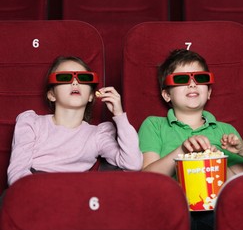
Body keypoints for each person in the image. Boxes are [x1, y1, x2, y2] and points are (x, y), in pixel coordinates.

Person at [138, 49, 243, 230]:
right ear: (167, 95)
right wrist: (181, 150)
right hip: (171, 207)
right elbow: (147, 178)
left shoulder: (226, 131)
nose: (192, 84)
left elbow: (242, 189)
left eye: (200, 79)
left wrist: (217, 160)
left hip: (217, 210)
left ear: (209, 92)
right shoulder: (154, 125)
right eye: (181, 80)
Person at [7, 56, 143, 186]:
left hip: (76, 192)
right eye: (64, 77)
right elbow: (17, 173)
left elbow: (132, 164)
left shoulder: (97, 135)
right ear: (51, 95)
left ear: (91, 96)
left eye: (84, 78)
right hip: (34, 187)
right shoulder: (32, 124)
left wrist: (119, 115)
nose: (75, 82)